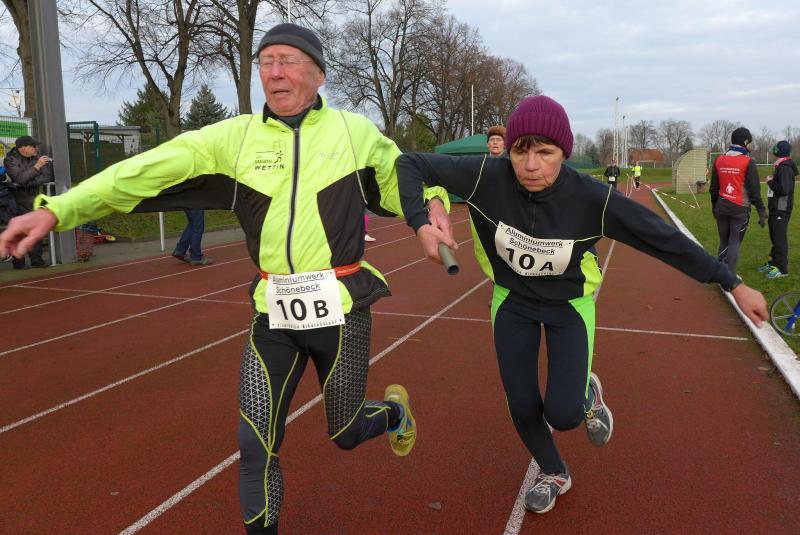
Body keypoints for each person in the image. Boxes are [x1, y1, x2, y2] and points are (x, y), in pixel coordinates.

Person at [0, 23, 448, 535]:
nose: (274, 72)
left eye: (288, 61)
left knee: (345, 432)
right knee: (254, 443)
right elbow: (141, 171)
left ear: (319, 74)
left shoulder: (354, 132)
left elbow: (399, 178)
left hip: (341, 309)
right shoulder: (233, 138)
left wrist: (429, 205)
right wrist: (58, 210)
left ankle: (393, 414)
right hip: (273, 314)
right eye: (266, 62)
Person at [396, 95, 768, 516]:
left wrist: (732, 283)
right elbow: (410, 163)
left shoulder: (593, 199)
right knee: (522, 405)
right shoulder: (486, 174)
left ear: (564, 153)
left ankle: (585, 394)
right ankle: (554, 471)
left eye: (545, 153)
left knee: (564, 414)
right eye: (520, 151)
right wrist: (422, 219)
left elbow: (662, 239)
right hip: (512, 301)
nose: (531, 165)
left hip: (568, 305)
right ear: (509, 150)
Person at [710, 127, 766, 275]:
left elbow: (713, 188)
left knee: (724, 241)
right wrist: (761, 210)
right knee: (734, 241)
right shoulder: (748, 161)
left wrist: (714, 207)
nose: (752, 145)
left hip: (721, 207)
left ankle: (720, 274)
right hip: (739, 209)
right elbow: (754, 192)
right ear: (746, 142)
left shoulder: (719, 160)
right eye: (751, 142)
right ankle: (729, 278)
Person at [3, 135, 52, 269]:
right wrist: (37, 167)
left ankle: (37, 260)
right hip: (15, 200)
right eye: (33, 146)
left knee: (35, 229)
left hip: (33, 198)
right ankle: (19, 262)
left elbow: (47, 176)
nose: (36, 148)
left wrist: (28, 182)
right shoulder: (10, 159)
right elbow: (19, 178)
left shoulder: (37, 157)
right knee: (18, 231)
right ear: (23, 148)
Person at [758, 140, 797, 279]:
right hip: (777, 208)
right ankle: (774, 262)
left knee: (779, 238)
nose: (773, 149)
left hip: (781, 208)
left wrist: (770, 182)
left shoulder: (785, 167)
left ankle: (782, 269)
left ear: (780, 151)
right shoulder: (781, 166)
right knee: (775, 236)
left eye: (776, 148)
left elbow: (784, 189)